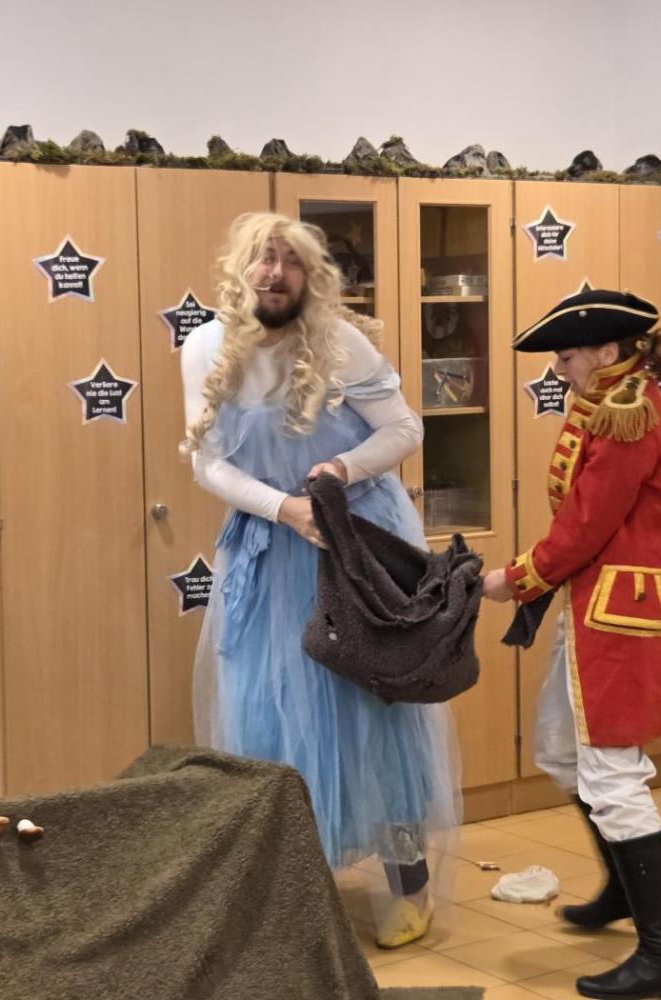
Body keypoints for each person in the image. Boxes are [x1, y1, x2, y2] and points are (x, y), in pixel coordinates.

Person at [180, 212, 460, 948]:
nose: (275, 273)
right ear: (239, 269)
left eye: (290, 260)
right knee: (265, 711)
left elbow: (404, 429)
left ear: (309, 274)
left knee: (373, 710)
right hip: (270, 548)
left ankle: (409, 886)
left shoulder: (339, 342)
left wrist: (339, 469)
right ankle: (291, 885)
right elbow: (207, 461)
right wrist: (284, 509)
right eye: (262, 259)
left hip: (355, 545)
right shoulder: (204, 347)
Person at [481, 289, 661, 1000]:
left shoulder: (625, 416)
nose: (558, 368)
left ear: (608, 352)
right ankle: (621, 886)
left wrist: (514, 578)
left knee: (612, 773)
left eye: (567, 355)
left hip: (622, 618)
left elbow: (586, 524)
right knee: (561, 750)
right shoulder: (613, 400)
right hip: (595, 606)